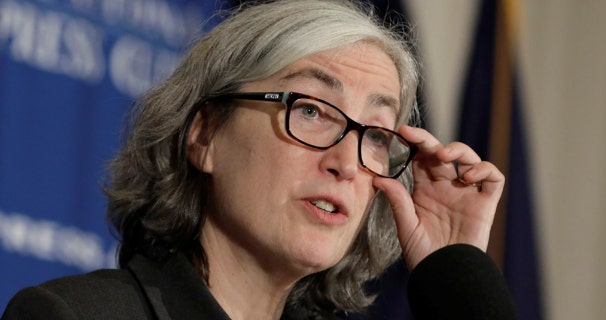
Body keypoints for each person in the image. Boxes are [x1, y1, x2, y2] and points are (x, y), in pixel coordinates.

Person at [2, 0, 516, 319]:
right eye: (312, 109)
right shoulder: (73, 317)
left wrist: (457, 278)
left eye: (377, 134)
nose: (348, 162)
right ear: (204, 135)